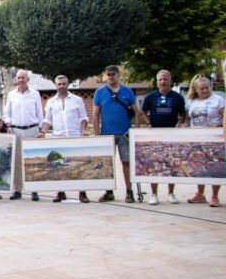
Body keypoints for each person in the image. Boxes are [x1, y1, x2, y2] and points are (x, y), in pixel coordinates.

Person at [93, 65, 141, 203]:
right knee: (107, 164)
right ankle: (109, 192)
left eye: (113, 74)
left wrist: (136, 132)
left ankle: (129, 191)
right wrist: (97, 135)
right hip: (107, 134)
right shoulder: (99, 92)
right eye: (108, 74)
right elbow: (95, 115)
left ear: (118, 75)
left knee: (126, 162)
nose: (110, 77)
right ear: (105, 76)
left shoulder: (127, 91)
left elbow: (136, 112)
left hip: (124, 133)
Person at [41, 75, 90, 203]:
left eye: (64, 84)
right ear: (55, 85)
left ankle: (82, 193)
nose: (61, 86)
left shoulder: (77, 100)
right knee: (59, 166)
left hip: (75, 136)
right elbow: (47, 120)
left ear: (68, 84)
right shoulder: (51, 102)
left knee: (78, 165)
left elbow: (83, 117)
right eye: (59, 84)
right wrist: (42, 132)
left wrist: (83, 130)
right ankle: (60, 192)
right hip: (58, 137)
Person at [140, 70, 186, 205]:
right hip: (155, 134)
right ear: (157, 82)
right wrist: (148, 123)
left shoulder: (178, 97)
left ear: (170, 81)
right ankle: (154, 194)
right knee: (154, 164)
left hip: (172, 134)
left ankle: (171, 193)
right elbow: (143, 111)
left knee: (171, 164)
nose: (163, 82)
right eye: (160, 79)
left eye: (165, 79)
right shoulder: (150, 97)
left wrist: (178, 124)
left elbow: (183, 114)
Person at [184, 75, 225, 207]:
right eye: (202, 88)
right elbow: (187, 119)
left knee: (214, 166)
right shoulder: (191, 102)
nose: (206, 90)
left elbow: (224, 118)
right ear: (196, 90)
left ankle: (215, 196)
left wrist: (216, 126)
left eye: (207, 87)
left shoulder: (218, 100)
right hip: (196, 139)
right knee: (198, 165)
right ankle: (200, 194)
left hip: (214, 140)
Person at [4, 70, 44, 201]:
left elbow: (39, 113)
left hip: (32, 130)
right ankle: (17, 189)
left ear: (28, 79)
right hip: (16, 131)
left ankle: (34, 190)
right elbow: (7, 113)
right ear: (16, 79)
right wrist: (9, 125)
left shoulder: (35, 94)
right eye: (19, 77)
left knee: (32, 160)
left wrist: (41, 130)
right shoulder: (11, 95)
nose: (21, 80)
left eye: (23, 77)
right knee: (16, 162)